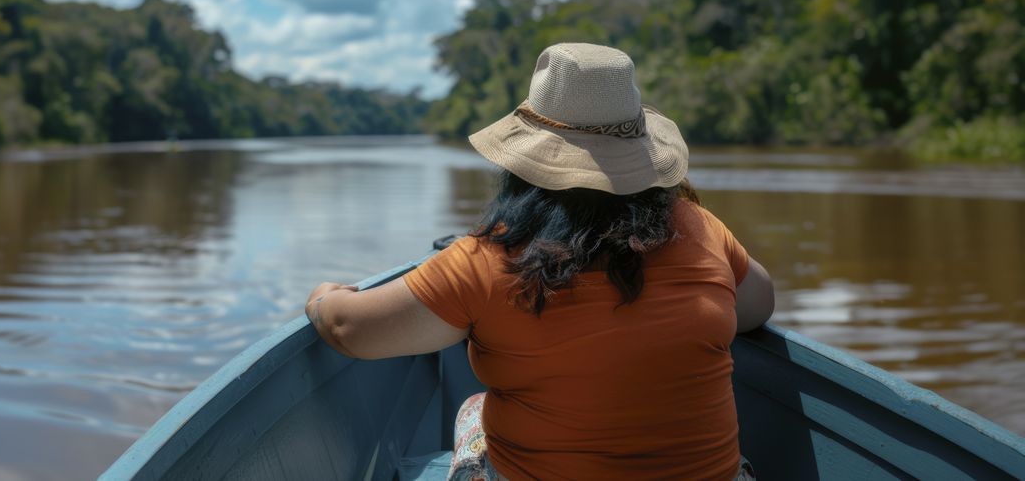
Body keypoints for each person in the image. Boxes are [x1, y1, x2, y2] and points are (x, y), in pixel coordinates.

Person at [304, 43, 775, 480]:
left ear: (526, 162)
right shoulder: (700, 227)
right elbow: (758, 304)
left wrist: (324, 297)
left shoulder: (488, 259)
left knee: (473, 408)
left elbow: (349, 330)